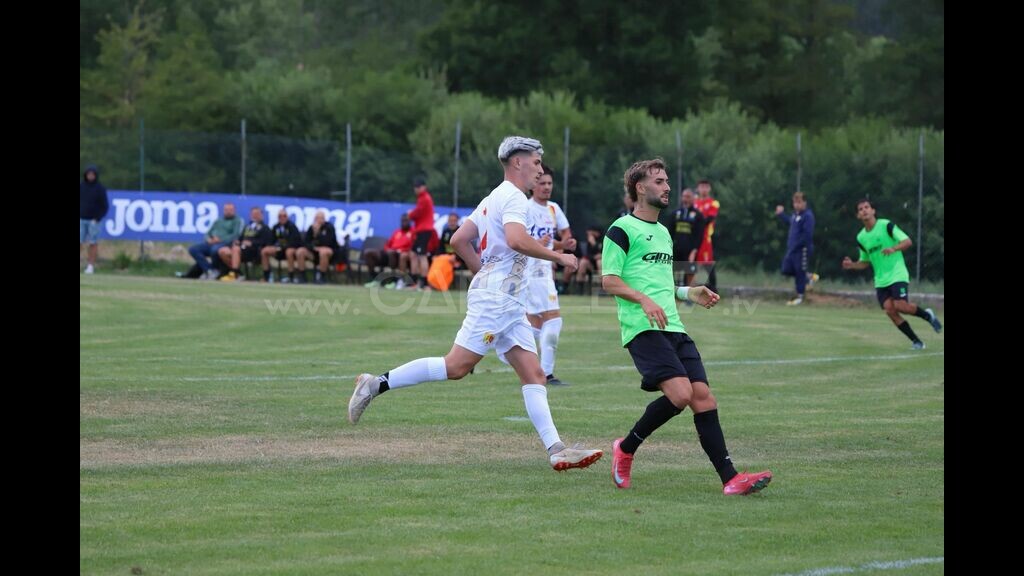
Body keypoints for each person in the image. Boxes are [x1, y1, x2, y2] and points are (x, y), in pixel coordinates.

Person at [347, 136, 602, 472]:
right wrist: (558, 256)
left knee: (535, 374)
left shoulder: (493, 197)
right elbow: (516, 240)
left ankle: (557, 450)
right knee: (456, 367)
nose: (541, 170)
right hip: (498, 299)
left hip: (508, 301)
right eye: (536, 162)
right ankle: (375, 383)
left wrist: (484, 272)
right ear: (518, 162)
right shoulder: (514, 197)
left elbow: (459, 240)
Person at [602, 158, 772, 495]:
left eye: (667, 181)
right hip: (643, 327)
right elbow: (609, 280)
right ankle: (625, 448)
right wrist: (643, 301)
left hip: (674, 327)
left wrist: (687, 292)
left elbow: (661, 284)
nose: (667, 187)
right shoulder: (620, 229)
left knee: (703, 397)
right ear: (640, 187)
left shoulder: (664, 233)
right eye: (660, 181)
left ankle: (731, 479)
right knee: (681, 395)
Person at [842, 199, 942, 349]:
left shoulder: (886, 225)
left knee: (901, 306)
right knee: (890, 310)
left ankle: (928, 316)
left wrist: (894, 249)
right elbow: (865, 262)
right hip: (881, 280)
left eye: (867, 207)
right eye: (861, 209)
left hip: (897, 273)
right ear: (858, 215)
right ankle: (917, 342)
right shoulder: (861, 237)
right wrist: (852, 265)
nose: (864, 210)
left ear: (873, 211)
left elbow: (907, 241)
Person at [525, 164, 575, 386]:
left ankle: (495, 343)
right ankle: (546, 374)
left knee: (535, 326)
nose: (546, 187)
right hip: (530, 272)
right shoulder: (525, 208)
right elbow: (517, 240)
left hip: (544, 271)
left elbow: (561, 236)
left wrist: (565, 245)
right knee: (553, 321)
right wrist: (539, 243)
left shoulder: (553, 209)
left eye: (549, 183)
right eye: (542, 183)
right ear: (532, 185)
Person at [775, 191, 818, 305]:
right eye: (795, 203)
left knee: (799, 272)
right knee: (786, 269)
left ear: (804, 203)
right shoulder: (795, 215)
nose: (797, 205)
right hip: (792, 249)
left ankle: (800, 296)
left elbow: (807, 235)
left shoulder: (808, 216)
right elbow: (789, 221)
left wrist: (798, 245)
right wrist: (781, 214)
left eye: (799, 202)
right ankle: (809, 277)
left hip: (802, 249)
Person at [188, 203, 244, 280]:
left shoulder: (238, 221)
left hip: (225, 243)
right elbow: (208, 233)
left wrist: (220, 240)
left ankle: (217, 270)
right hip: (212, 242)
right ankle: (209, 270)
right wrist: (209, 239)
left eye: (230, 210)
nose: (228, 212)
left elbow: (236, 235)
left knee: (214, 250)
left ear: (234, 210)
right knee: (193, 249)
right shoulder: (218, 220)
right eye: (226, 210)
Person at [220, 207, 274, 282]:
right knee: (223, 251)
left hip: (254, 251)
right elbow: (241, 238)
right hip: (241, 249)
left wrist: (252, 243)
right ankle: (239, 273)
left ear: (261, 215)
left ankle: (234, 274)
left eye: (257, 214)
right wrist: (237, 241)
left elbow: (267, 242)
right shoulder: (248, 227)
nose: (254, 215)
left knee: (236, 249)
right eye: (253, 214)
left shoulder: (265, 228)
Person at [668, 188, 705, 289]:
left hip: (690, 251)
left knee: (690, 273)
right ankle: (672, 293)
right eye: (684, 196)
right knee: (672, 273)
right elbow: (669, 233)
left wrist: (694, 251)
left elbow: (699, 236)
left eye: (688, 197)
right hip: (675, 249)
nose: (685, 199)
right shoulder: (675, 214)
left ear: (693, 198)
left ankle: (690, 295)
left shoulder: (698, 216)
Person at [408, 177, 436, 290]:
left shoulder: (424, 198)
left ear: (424, 187)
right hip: (422, 230)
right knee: (414, 254)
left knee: (422, 255)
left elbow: (418, 213)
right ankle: (414, 281)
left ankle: (423, 283)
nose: (416, 189)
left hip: (424, 230)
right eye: (415, 187)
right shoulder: (423, 198)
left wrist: (410, 214)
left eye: (418, 187)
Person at [80, 164, 109, 274]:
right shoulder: (81, 186)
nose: (90, 176)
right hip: (81, 219)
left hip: (94, 221)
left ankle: (90, 266)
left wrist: (97, 218)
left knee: (93, 243)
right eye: (88, 174)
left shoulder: (100, 188)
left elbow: (105, 206)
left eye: (92, 174)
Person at [296, 210, 338, 284]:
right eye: (317, 218)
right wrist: (313, 248)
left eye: (321, 218)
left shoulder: (329, 227)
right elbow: (306, 242)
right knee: (300, 251)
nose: (319, 220)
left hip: (329, 253)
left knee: (323, 252)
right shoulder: (311, 228)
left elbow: (329, 242)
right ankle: (302, 276)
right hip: (314, 252)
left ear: (324, 219)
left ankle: (322, 277)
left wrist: (318, 233)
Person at [262, 209, 302, 283]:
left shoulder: (292, 227)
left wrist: (283, 247)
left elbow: (296, 241)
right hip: (278, 249)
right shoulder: (275, 227)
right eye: (280, 216)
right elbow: (271, 240)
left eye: (284, 216)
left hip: (289, 249)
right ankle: (266, 275)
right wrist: (272, 246)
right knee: (265, 251)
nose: (282, 218)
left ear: (287, 217)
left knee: (289, 252)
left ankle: (291, 276)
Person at [694, 179, 719, 293]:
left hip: (705, 239)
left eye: (706, 187)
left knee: (708, 264)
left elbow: (708, 219)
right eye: (701, 187)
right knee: (690, 263)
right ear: (698, 188)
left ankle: (714, 290)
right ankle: (688, 290)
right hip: (693, 238)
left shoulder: (713, 203)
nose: (703, 189)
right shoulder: (694, 202)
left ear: (709, 189)